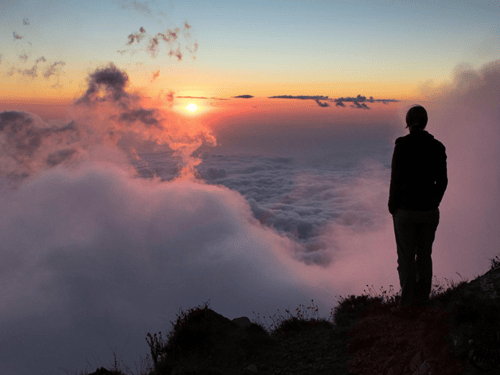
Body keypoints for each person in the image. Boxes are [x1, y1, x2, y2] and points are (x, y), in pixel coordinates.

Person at [388, 105, 448, 308]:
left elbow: (395, 179)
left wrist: (393, 206)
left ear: (408, 123)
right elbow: (443, 181)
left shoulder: (402, 146)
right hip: (429, 211)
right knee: (424, 256)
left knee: (405, 258)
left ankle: (407, 304)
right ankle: (423, 301)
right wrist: (434, 202)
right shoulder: (437, 147)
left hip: (405, 211)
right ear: (425, 123)